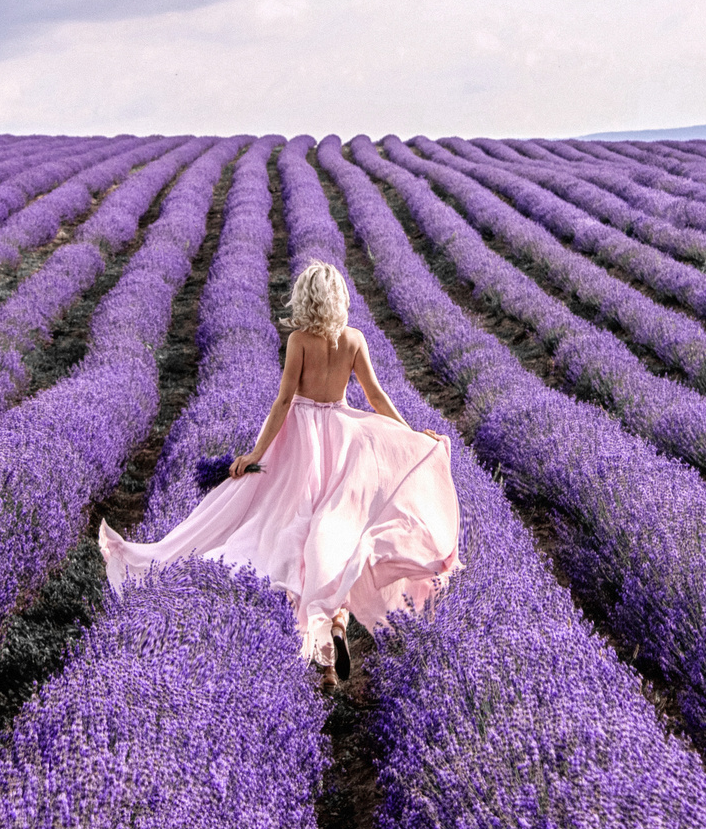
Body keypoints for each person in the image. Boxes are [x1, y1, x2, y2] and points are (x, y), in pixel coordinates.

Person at [98, 259, 462, 677]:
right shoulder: (355, 340)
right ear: (340, 299)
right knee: (337, 532)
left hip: (301, 444)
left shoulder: (299, 341)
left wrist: (255, 455)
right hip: (345, 443)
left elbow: (284, 401)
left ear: (305, 298)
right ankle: (336, 625)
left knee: (286, 530)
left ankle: (315, 640)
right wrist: (413, 435)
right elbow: (376, 398)